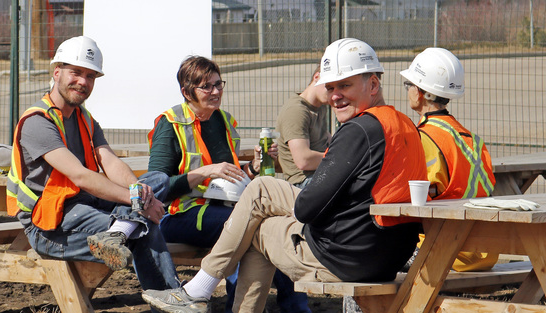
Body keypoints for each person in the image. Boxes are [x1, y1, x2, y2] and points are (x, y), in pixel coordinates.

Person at [142, 38, 428, 313]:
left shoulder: (358, 130)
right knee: (261, 199)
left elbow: (307, 208)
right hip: (386, 254)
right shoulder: (402, 125)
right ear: (186, 91)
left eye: (345, 85)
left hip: (347, 256)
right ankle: (215, 294)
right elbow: (159, 183)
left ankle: (199, 291)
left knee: (257, 218)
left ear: (373, 84)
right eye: (331, 87)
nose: (335, 95)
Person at [5, 36, 179, 292]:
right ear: (57, 72)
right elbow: (82, 177)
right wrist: (138, 203)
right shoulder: (37, 122)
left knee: (157, 181)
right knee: (143, 228)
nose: (83, 82)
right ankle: (171, 298)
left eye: (91, 76)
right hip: (49, 224)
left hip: (82, 204)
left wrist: (139, 193)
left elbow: (110, 162)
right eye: (76, 72)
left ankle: (119, 230)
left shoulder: (84, 118)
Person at [147, 55, 308, 312]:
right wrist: (206, 171)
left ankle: (294, 307)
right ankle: (247, 304)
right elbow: (156, 187)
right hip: (183, 215)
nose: (215, 92)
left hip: (227, 207)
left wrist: (253, 167)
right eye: (206, 87)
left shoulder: (224, 120)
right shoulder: (170, 124)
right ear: (186, 91)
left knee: (273, 227)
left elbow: (231, 178)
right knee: (247, 228)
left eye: (218, 84)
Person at [401, 47, 498, 272]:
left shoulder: (421, 137)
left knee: (369, 256)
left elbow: (413, 200)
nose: (407, 91)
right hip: (483, 251)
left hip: (446, 251)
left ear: (420, 92)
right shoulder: (473, 140)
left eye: (409, 85)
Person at [275, 65, 331, 188]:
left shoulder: (320, 105)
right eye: (330, 87)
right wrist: (339, 158)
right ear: (317, 77)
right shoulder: (296, 110)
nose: (335, 94)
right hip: (303, 181)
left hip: (320, 173)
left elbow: (326, 139)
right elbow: (303, 160)